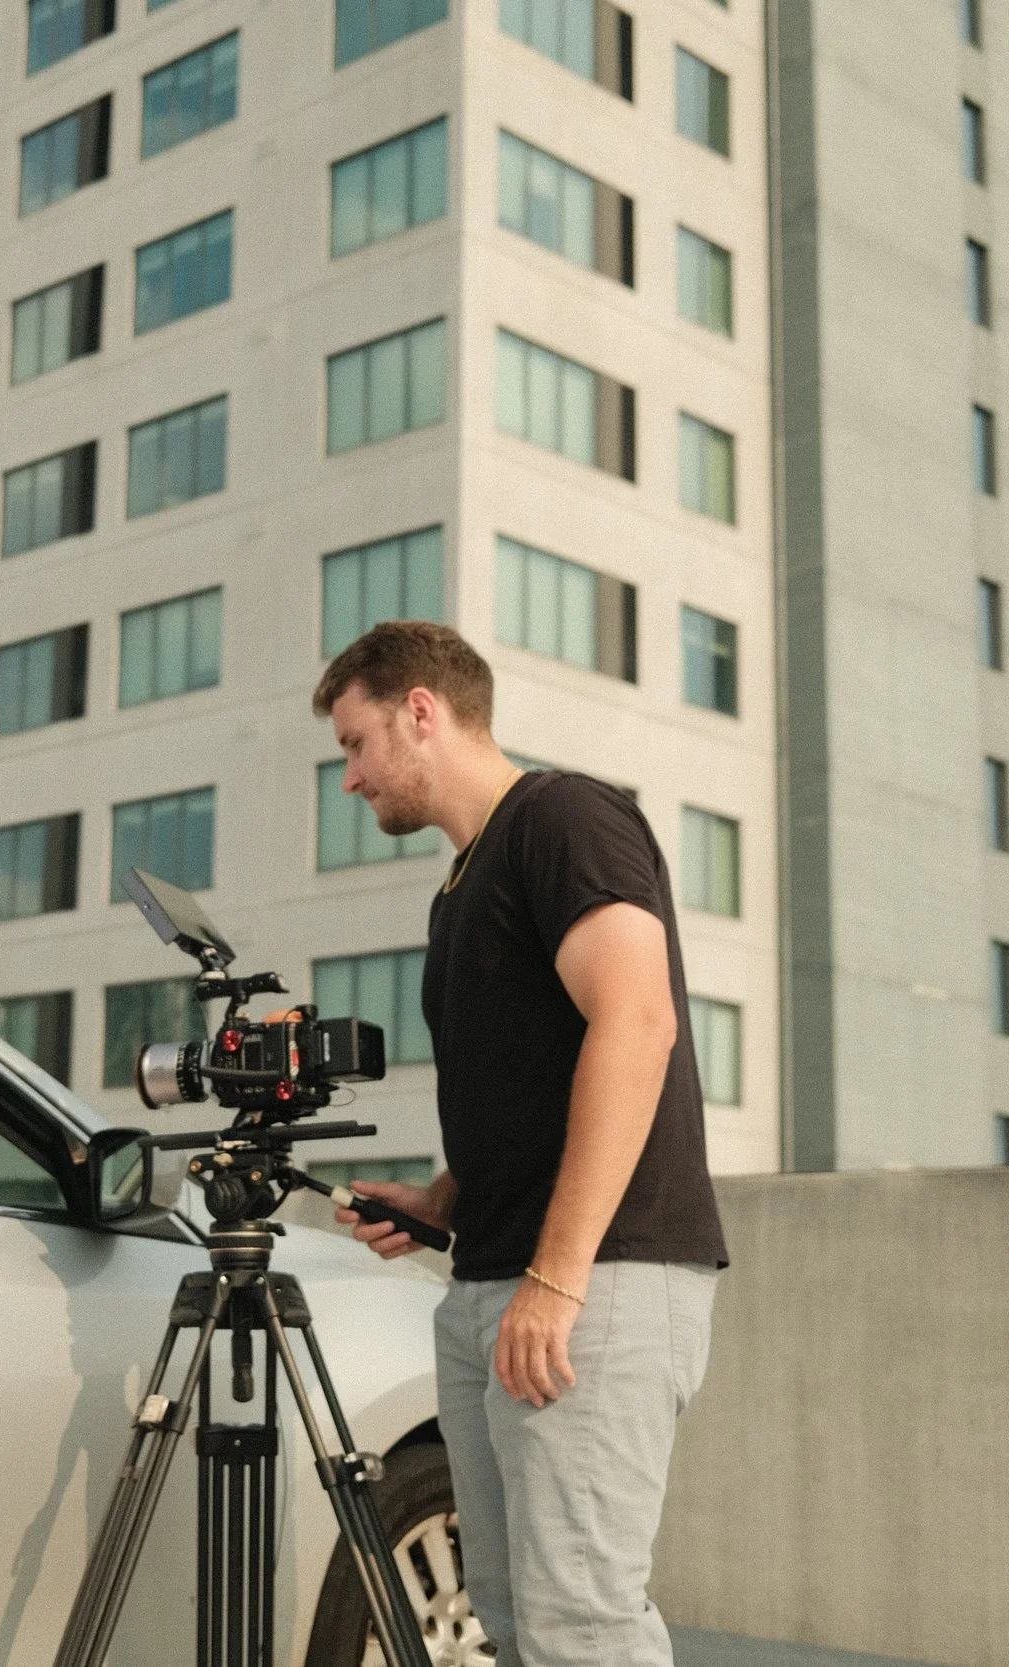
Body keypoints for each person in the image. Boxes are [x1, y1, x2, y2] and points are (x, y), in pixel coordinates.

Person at [316, 620, 728, 1667]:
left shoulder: (564, 817)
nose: (353, 778)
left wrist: (557, 1273)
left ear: (421, 709)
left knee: (582, 1624)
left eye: (357, 744)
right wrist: (444, 1198)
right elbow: (532, 1084)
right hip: (496, 1280)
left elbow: (634, 1022)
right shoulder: (460, 885)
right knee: (509, 1617)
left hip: (595, 1280)